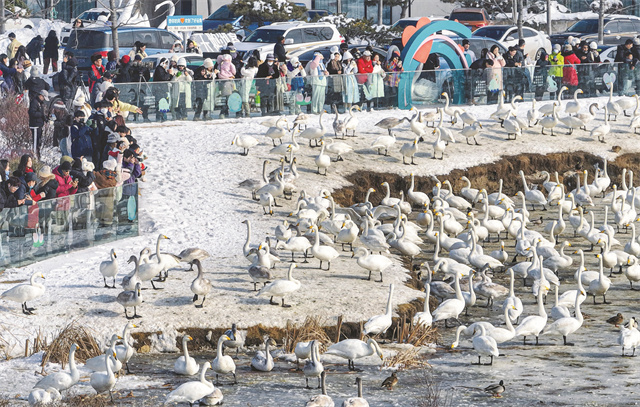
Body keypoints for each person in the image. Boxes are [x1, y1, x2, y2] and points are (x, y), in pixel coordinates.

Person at [28, 90, 48, 156]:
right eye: (44, 97)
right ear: (41, 96)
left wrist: (45, 119)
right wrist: (41, 114)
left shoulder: (40, 103)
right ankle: (34, 154)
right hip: (35, 125)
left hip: (39, 125)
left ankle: (37, 154)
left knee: (38, 141)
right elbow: (32, 113)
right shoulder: (34, 102)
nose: (44, 99)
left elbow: (42, 113)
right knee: (35, 141)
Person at [216, 53, 236, 118]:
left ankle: (224, 112)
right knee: (227, 98)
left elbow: (219, 74)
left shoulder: (220, 65)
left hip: (222, 83)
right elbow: (234, 72)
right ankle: (224, 112)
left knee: (224, 99)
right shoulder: (230, 64)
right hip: (228, 83)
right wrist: (229, 77)